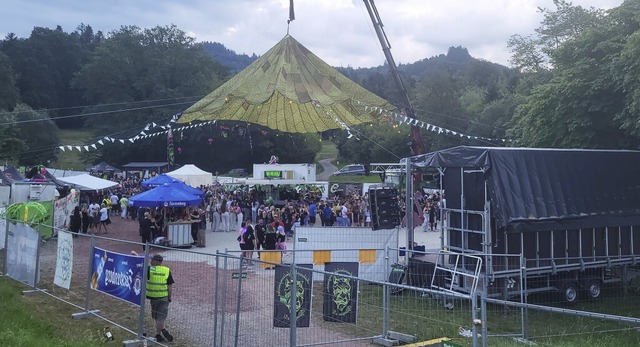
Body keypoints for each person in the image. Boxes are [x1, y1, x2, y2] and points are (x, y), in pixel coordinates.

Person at [146, 254, 174, 343]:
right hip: (163, 297)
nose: (151, 261)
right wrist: (169, 297)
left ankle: (159, 333)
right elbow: (170, 286)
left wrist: (135, 255)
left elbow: (140, 265)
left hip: (153, 297)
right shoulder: (166, 270)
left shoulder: (149, 269)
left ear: (156, 261)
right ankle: (161, 331)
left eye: (152, 260)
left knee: (157, 316)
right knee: (160, 317)